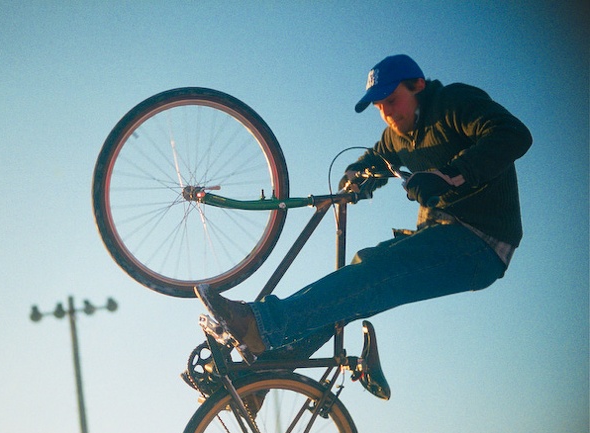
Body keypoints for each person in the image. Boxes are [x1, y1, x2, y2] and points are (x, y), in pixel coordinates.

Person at [194, 54, 532, 392]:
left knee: (377, 270)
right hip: (439, 233)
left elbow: (512, 134)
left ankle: (259, 323)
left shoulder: (453, 103)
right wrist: (356, 175)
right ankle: (259, 380)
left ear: (418, 86)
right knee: (353, 285)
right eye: (378, 106)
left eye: (391, 100)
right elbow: (374, 158)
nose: (386, 112)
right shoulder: (396, 136)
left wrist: (450, 175)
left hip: (482, 243)